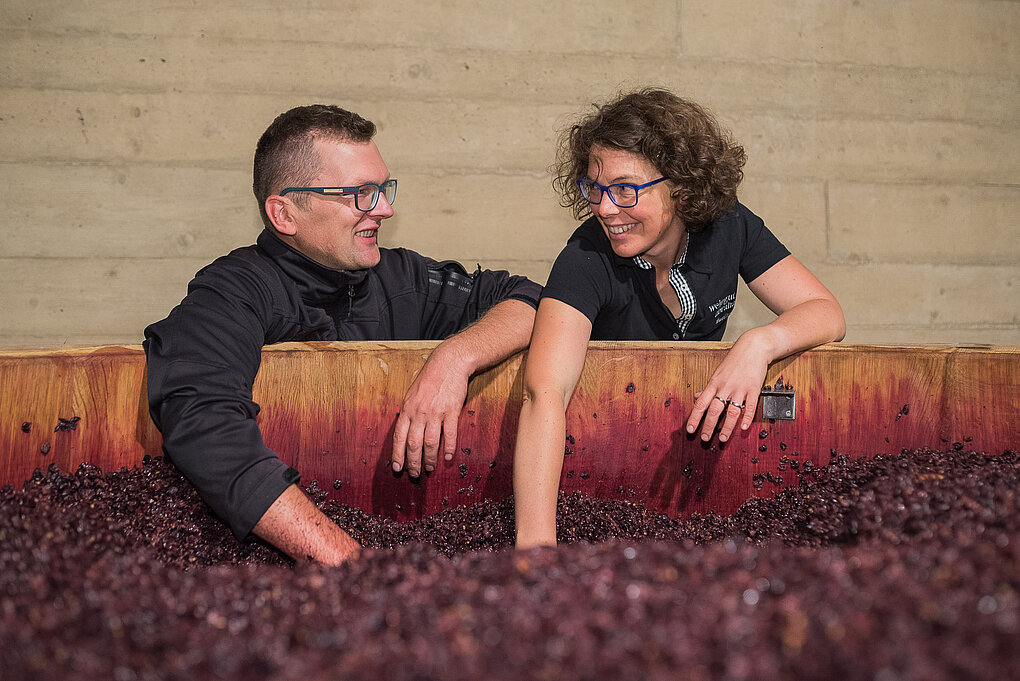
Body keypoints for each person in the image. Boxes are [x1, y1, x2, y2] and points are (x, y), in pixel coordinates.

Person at [144, 105, 540, 565]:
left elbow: (531, 300)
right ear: (285, 213)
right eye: (362, 194)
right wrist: (355, 568)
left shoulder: (400, 277)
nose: (386, 209)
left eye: (383, 189)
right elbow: (204, 423)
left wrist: (455, 357)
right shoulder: (234, 292)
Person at [512, 89, 845, 549]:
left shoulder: (731, 227)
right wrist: (536, 549)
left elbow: (826, 312)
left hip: (690, 472)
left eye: (626, 189)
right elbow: (543, 393)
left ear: (683, 185)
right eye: (595, 187)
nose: (606, 209)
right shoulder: (585, 258)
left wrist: (759, 343)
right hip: (599, 469)